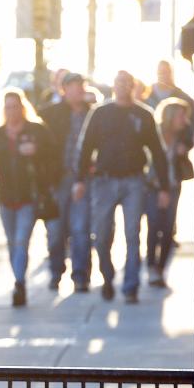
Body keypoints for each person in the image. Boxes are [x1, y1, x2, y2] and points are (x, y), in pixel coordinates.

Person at [74, 70, 172, 304]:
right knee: (102, 234)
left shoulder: (143, 115)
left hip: (134, 180)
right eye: (118, 82)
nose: (122, 86)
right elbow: (86, 147)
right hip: (104, 181)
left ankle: (130, 285)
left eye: (126, 83)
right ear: (113, 86)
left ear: (133, 86)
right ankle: (107, 277)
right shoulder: (100, 114)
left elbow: (157, 152)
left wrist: (164, 187)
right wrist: (79, 180)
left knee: (132, 234)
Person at [0, 89, 59, 307]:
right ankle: (18, 277)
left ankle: (19, 283)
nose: (12, 111)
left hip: (29, 196)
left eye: (15, 106)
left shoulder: (37, 131)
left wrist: (36, 150)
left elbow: (54, 155)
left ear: (23, 108)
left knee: (22, 241)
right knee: (12, 242)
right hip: (5, 196)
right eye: (8, 107)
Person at [40, 71, 95, 292]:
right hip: (57, 180)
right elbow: (41, 147)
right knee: (55, 230)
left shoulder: (93, 114)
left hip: (84, 179)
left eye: (80, 86)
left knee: (81, 229)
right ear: (64, 90)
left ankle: (81, 275)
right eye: (73, 86)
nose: (78, 90)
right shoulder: (50, 115)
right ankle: (56, 272)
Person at [146, 98, 194, 288]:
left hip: (174, 185)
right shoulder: (154, 133)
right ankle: (151, 266)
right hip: (153, 186)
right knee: (153, 225)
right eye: (181, 116)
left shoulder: (184, 135)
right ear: (171, 116)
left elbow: (191, 136)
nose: (184, 119)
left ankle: (160, 269)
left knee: (168, 228)